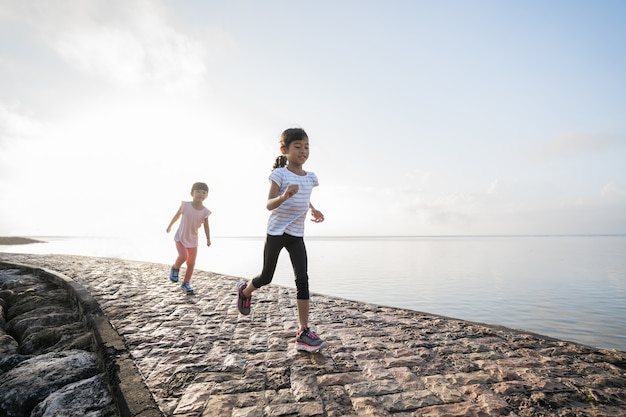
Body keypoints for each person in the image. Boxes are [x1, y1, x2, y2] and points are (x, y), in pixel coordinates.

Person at [236, 127, 327, 353]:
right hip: (276, 233)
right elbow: (269, 205)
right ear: (284, 150)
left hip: (297, 235)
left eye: (306, 147)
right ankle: (245, 291)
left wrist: (314, 210)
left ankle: (303, 332)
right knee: (266, 276)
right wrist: (284, 196)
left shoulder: (311, 177)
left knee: (302, 279)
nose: (303, 151)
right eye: (298, 147)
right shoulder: (280, 175)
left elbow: (304, 198)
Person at [166, 182, 212, 295]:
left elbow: (206, 226)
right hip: (180, 238)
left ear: (206, 195)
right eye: (198, 191)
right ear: (191, 193)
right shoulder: (185, 205)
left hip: (193, 241)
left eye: (204, 192)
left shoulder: (205, 211)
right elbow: (177, 216)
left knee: (191, 263)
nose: (201, 194)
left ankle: (186, 283)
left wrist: (208, 238)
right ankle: (175, 268)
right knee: (183, 256)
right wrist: (170, 226)